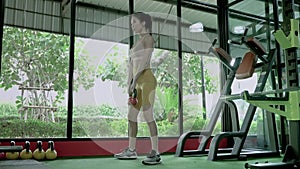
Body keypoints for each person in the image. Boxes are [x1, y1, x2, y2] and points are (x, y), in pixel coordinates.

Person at [114, 12, 161, 165]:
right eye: (131, 22)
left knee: (148, 116)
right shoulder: (137, 42)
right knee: (131, 117)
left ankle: (155, 152)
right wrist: (129, 83)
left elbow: (144, 62)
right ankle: (131, 150)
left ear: (144, 23)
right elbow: (131, 66)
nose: (132, 25)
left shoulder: (148, 39)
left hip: (147, 80)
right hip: (136, 83)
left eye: (134, 22)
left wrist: (135, 80)